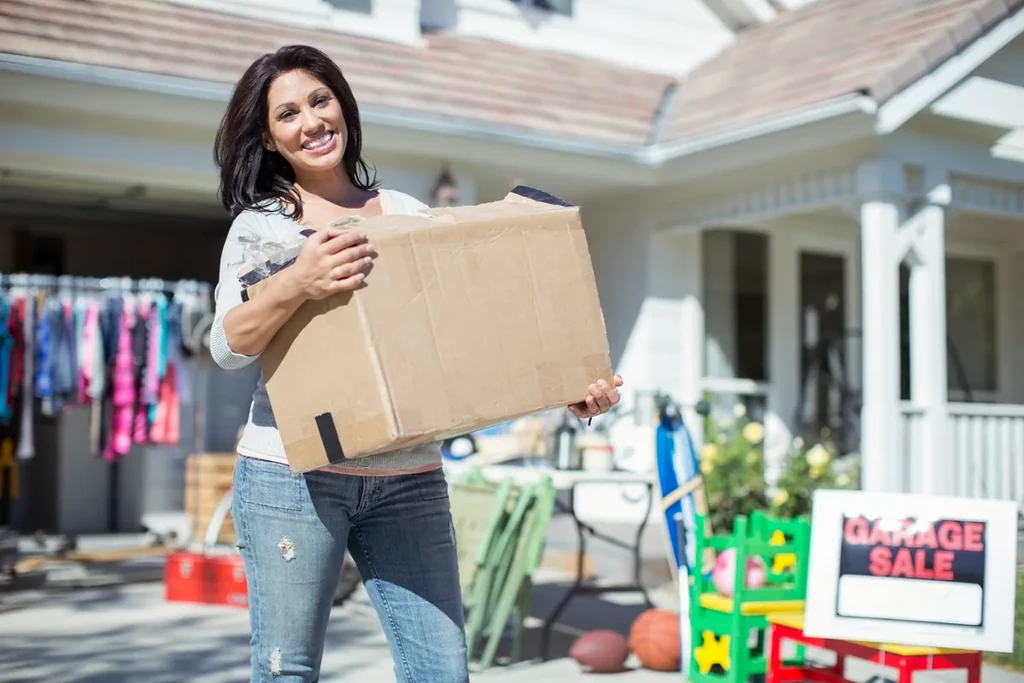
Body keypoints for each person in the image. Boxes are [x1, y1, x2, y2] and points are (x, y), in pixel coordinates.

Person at [210, 44, 623, 683]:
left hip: (409, 478)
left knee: (440, 671)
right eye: (288, 114)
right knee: (287, 671)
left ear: (343, 106)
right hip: (294, 478)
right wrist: (300, 280)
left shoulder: (406, 214)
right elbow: (228, 347)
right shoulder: (262, 229)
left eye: (321, 101)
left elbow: (466, 338)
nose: (311, 122)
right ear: (268, 137)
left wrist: (567, 385)